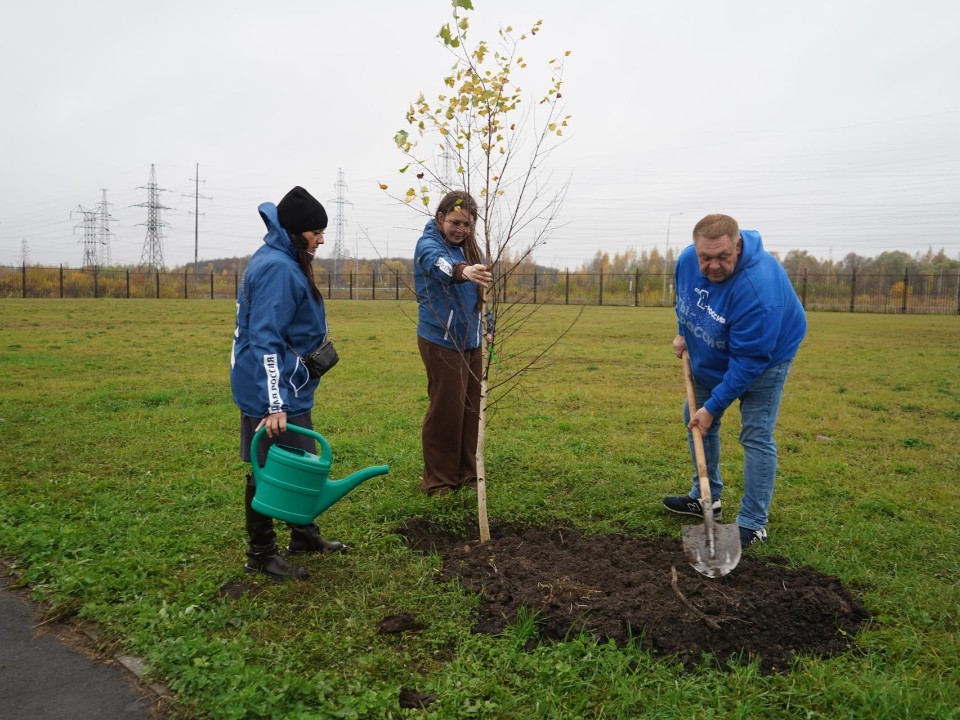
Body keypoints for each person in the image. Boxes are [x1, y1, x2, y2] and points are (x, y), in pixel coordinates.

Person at [662, 213, 806, 549]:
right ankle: (706, 498)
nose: (713, 265)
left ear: (737, 246)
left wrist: (713, 407)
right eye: (706, 257)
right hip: (712, 346)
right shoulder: (686, 260)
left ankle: (753, 522)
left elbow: (749, 361)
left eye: (722, 257)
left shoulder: (758, 290)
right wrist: (683, 332)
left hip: (765, 358)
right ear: (696, 249)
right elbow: (685, 300)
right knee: (694, 418)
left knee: (755, 434)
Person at [230, 186, 345, 581]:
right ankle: (261, 552)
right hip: (273, 389)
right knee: (269, 467)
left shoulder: (281, 257)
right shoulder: (279, 268)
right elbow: (265, 339)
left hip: (287, 384)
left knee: (299, 461)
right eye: (316, 231)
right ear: (296, 231)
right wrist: (273, 404)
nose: (322, 239)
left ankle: (303, 534)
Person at [413, 190, 493, 496]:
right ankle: (440, 480)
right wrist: (464, 271)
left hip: (472, 341)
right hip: (440, 340)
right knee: (446, 409)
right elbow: (439, 266)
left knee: (471, 409)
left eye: (466, 224)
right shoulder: (428, 245)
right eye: (455, 222)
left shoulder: (472, 249)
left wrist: (489, 327)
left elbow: (487, 295)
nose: (460, 229)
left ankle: (468, 474)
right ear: (440, 218)